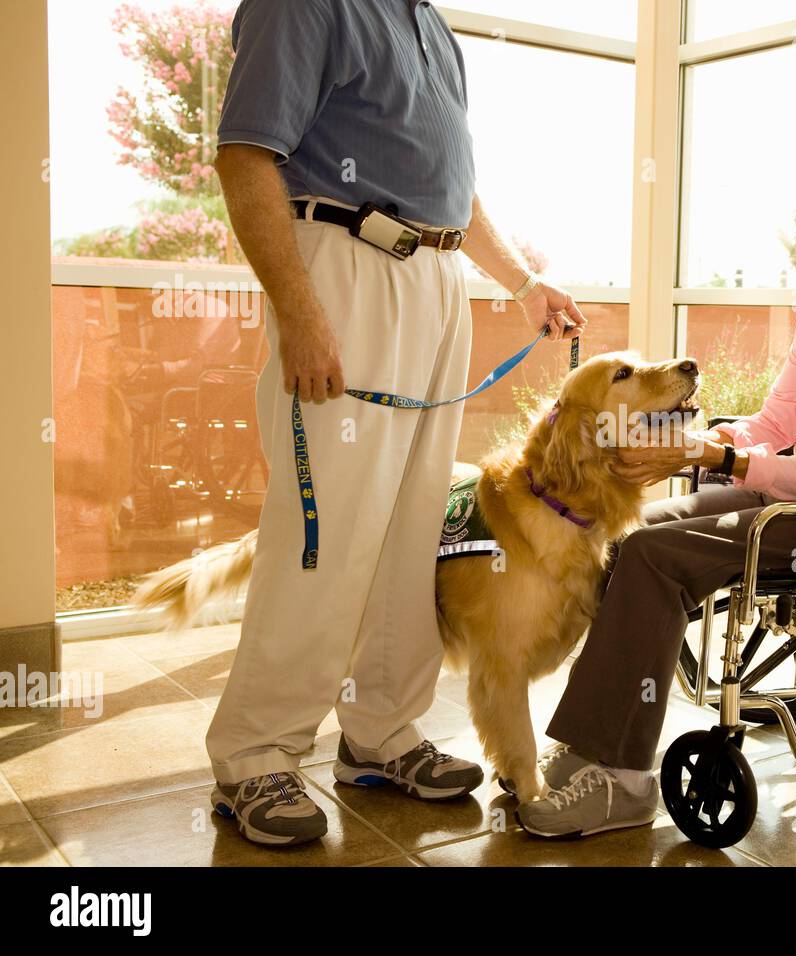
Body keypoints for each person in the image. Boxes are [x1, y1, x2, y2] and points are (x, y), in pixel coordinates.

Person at [206, 0, 585, 846]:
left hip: (435, 277)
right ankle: (255, 752)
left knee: (416, 527)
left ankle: (381, 730)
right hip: (344, 269)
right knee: (326, 527)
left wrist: (521, 283)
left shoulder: (430, 23)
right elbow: (245, 155)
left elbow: (453, 186)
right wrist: (301, 313)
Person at [517, 188, 796, 838]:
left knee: (653, 557)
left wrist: (712, 458)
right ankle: (593, 743)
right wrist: (722, 444)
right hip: (795, 494)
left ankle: (623, 783)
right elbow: (780, 419)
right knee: (628, 535)